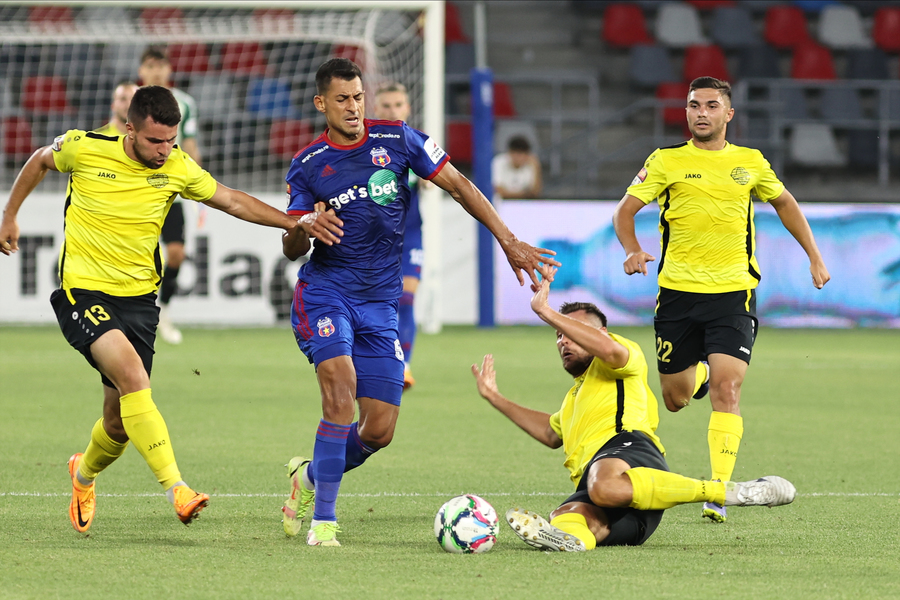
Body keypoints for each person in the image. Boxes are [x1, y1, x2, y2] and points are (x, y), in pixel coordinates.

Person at [279, 58, 558, 547]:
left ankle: (308, 477)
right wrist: (303, 229)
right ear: (322, 103)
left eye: (359, 97)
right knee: (340, 385)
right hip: (326, 293)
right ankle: (324, 522)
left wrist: (508, 240)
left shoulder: (399, 139)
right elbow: (290, 241)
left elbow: (460, 186)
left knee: (379, 430)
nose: (354, 108)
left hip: (379, 302)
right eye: (342, 99)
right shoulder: (307, 165)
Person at [0, 86, 302, 533]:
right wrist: (9, 215)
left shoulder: (177, 166)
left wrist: (294, 222)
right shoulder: (84, 148)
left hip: (140, 302)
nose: (165, 150)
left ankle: (82, 474)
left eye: (171, 140)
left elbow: (232, 200)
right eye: (155, 141)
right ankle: (176, 488)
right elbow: (40, 160)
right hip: (82, 292)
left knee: (119, 423)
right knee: (134, 379)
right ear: (130, 129)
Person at [612, 76, 830, 524]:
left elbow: (786, 204)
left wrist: (814, 255)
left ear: (728, 114)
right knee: (674, 398)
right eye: (694, 105)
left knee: (728, 390)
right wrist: (632, 249)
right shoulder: (666, 161)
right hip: (676, 296)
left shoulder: (750, 162)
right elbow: (625, 211)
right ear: (686, 112)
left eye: (712, 105)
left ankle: (719, 491)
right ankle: (706, 369)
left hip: (733, 292)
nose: (702, 113)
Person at [471, 266, 797, 551]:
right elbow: (549, 432)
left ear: (600, 333)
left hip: (630, 454)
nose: (562, 340)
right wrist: (494, 396)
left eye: (570, 332)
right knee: (567, 518)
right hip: (629, 506)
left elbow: (611, 352)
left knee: (601, 485)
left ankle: (726, 492)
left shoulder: (623, 358)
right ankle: (575, 541)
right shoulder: (573, 400)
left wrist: (547, 312)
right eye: (558, 335)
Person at [138, 46, 203, 344]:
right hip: (137, 191)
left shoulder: (184, 103)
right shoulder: (132, 101)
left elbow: (189, 143)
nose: (156, 71)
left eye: (160, 65)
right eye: (150, 66)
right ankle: (136, 310)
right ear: (142, 71)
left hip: (170, 192)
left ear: (169, 70)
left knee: (176, 253)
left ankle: (164, 310)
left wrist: (198, 181)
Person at [373, 82, 424, 391]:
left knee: (406, 298)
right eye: (387, 106)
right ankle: (375, 362)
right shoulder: (364, 145)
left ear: (408, 108)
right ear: (375, 110)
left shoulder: (415, 144)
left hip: (410, 234)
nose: (393, 111)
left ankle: (403, 367)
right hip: (373, 238)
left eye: (398, 105)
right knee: (379, 303)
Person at [491, 135, 542, 200]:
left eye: (521, 154)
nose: (518, 158)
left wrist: (537, 168)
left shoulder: (531, 165)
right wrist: (524, 194)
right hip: (501, 203)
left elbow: (535, 193)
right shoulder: (498, 162)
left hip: (523, 204)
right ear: (510, 153)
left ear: (527, 155)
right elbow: (498, 190)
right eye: (516, 154)